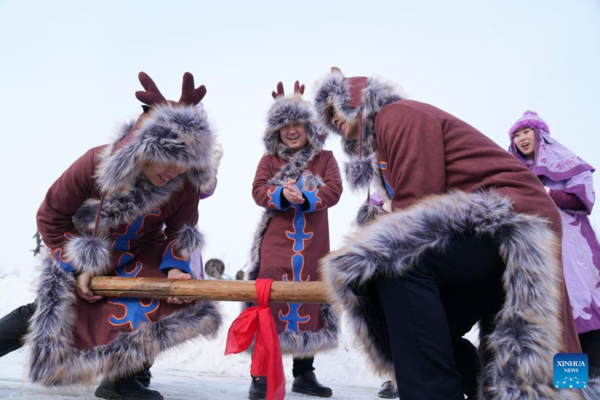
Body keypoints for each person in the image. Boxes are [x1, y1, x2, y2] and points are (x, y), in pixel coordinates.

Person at [315, 68, 594, 400]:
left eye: (335, 111)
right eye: (327, 118)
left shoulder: (397, 115)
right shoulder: (382, 149)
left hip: (508, 218)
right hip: (480, 229)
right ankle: (473, 377)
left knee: (397, 267)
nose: (333, 121)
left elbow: (419, 199)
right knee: (408, 321)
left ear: (356, 101)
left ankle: (435, 393)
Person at [0, 72, 223, 400]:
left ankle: (122, 382)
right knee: (54, 311)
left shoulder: (185, 183)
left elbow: (181, 231)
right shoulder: (94, 162)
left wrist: (176, 268)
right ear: (143, 144)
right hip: (83, 247)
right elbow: (50, 216)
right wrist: (77, 264)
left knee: (149, 301)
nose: (175, 171)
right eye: (169, 157)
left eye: (185, 162)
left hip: (141, 252)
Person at [245, 81, 343, 399]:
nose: (291, 131)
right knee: (268, 303)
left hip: (313, 245)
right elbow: (258, 190)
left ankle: (304, 374)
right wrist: (281, 195)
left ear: (307, 127)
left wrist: (307, 196)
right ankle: (260, 376)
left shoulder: (325, 159)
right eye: (284, 125)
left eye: (296, 124)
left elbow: (334, 191)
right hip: (275, 247)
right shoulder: (269, 160)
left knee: (310, 303)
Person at [509, 110, 600, 377]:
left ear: (540, 135)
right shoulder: (511, 171)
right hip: (534, 251)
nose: (521, 138)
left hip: (573, 250)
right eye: (516, 134)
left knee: (582, 310)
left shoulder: (568, 163)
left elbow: (583, 199)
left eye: (526, 131)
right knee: (551, 316)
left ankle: (591, 383)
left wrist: (546, 192)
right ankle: (567, 385)